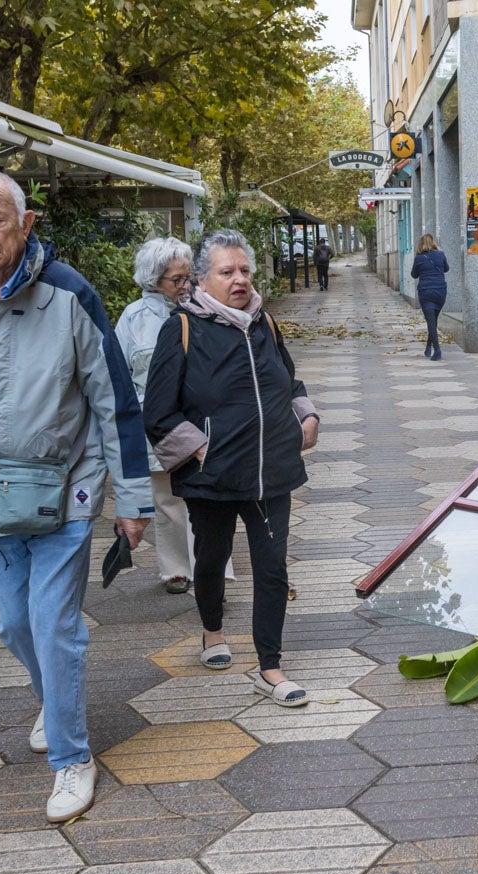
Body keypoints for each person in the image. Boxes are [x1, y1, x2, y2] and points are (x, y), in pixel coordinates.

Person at [0, 168, 153, 823]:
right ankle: (56, 697)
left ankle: (72, 759)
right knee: (15, 625)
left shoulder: (69, 295)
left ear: (26, 222)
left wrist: (131, 500)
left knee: (53, 627)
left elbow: (117, 404)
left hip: (66, 489)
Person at [143, 229, 319, 704]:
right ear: (202, 279)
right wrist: (203, 451)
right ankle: (213, 632)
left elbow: (290, 378)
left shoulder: (265, 324)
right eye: (227, 272)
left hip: (271, 472)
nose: (238, 279)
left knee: (272, 568)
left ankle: (271, 667)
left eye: (244, 270)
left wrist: (307, 414)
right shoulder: (182, 328)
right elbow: (157, 414)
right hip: (213, 477)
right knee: (213, 559)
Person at [115, 238, 235, 594]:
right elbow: (118, 375)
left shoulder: (204, 310)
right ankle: (176, 569)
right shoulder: (132, 319)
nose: (186, 286)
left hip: (199, 420)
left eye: (188, 278)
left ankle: (214, 570)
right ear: (154, 280)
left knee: (208, 498)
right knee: (166, 502)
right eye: (176, 280)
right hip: (153, 424)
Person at [410, 233, 449, 361]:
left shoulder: (419, 258)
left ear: (420, 244)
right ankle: (428, 346)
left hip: (426, 292)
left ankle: (437, 350)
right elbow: (446, 269)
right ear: (433, 242)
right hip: (440, 292)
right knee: (433, 321)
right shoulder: (441, 254)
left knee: (431, 322)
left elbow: (414, 275)